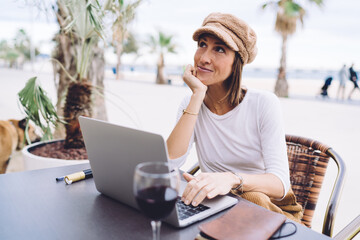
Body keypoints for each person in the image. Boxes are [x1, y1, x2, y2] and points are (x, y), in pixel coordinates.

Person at [166, 12, 302, 222]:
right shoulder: (191, 102)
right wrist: (197, 96)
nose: (204, 58)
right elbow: (170, 163)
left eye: (219, 49)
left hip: (269, 208)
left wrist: (231, 179)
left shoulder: (263, 103)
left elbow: (280, 184)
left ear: (237, 62)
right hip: (219, 205)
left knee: (252, 197)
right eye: (202, 44)